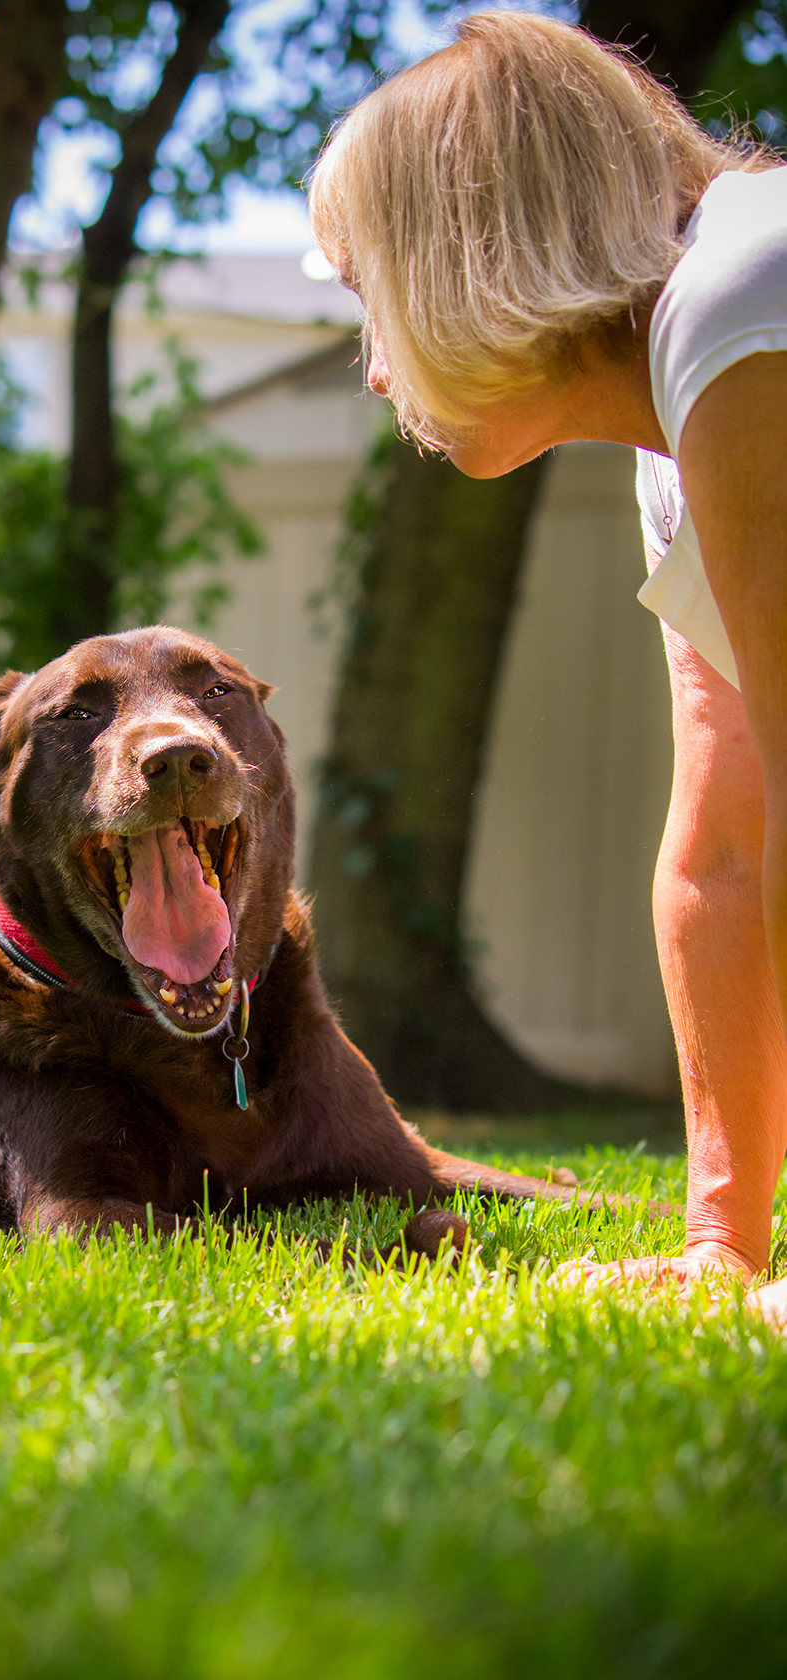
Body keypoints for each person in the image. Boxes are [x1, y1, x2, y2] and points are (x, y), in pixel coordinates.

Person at [307, 10, 787, 1323]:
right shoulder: (683, 415)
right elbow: (725, 846)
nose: (373, 365)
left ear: (470, 241)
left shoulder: (748, 304)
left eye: (372, 293)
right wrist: (721, 1248)